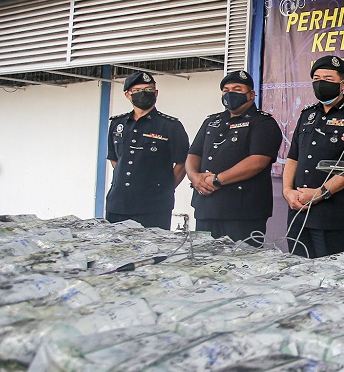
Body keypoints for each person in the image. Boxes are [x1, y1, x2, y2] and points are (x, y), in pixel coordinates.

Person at [186, 70, 282, 246]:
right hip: (207, 208)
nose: (230, 94)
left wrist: (217, 180)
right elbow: (193, 154)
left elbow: (257, 162)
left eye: (237, 89)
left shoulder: (263, 123)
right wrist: (194, 177)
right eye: (226, 90)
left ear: (251, 94)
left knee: (241, 266)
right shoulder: (212, 121)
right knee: (203, 264)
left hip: (243, 213)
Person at [282, 55, 344, 258]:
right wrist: (287, 191)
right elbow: (293, 157)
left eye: (328, 79)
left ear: (342, 84)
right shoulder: (307, 114)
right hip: (298, 210)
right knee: (297, 273)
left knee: (330, 277)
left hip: (331, 214)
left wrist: (320, 193)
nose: (321, 84)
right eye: (317, 79)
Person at [105, 72, 189, 230]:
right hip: (118, 204)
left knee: (152, 253)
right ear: (128, 95)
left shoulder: (171, 126)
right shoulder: (117, 124)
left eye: (149, 89)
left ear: (156, 93)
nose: (144, 93)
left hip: (153, 206)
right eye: (137, 90)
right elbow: (115, 159)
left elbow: (182, 164)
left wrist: (164, 189)